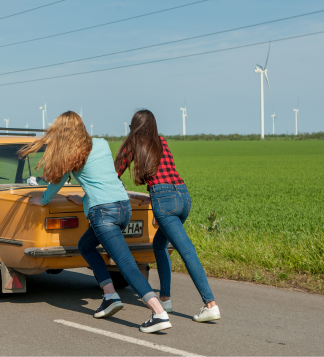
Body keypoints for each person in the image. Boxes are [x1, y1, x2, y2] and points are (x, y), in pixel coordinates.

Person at [20, 111, 172, 333]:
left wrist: (42, 200)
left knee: (125, 264)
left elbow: (54, 186)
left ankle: (158, 312)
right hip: (122, 206)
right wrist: (83, 198)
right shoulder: (101, 144)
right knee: (85, 245)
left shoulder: (70, 156)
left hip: (103, 213)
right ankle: (110, 295)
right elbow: (102, 178)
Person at [114, 109, 221, 323]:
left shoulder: (133, 144)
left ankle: (210, 304)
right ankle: (165, 298)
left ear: (135, 127)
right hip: (183, 196)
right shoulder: (161, 141)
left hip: (164, 200)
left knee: (186, 250)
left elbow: (115, 172)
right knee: (159, 245)